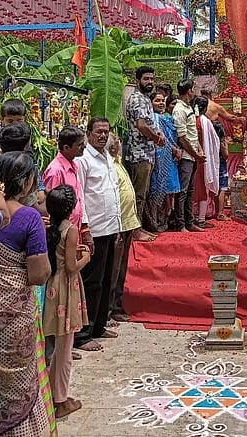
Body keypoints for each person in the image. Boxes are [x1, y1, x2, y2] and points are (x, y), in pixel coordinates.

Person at [0, 152, 52, 437]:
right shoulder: (29, 217)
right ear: (26, 183)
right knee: (20, 381)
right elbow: (38, 274)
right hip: (16, 310)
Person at [74, 117, 121, 352]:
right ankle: (83, 333)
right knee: (91, 281)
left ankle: (99, 325)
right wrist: (85, 228)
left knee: (106, 279)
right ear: (89, 133)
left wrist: (118, 225)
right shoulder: (83, 159)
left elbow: (112, 190)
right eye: (98, 132)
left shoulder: (108, 157)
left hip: (110, 226)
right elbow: (80, 196)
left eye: (106, 131)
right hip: (94, 228)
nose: (103, 136)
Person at [44, 185, 90, 420]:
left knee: (57, 347)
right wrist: (86, 258)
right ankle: (60, 400)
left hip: (52, 287)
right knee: (64, 350)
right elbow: (71, 267)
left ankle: (55, 394)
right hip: (66, 288)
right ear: (71, 208)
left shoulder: (49, 227)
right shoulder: (70, 230)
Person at [107, 133, 152, 324]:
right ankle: (108, 311)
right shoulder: (106, 165)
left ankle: (117, 306)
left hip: (127, 223)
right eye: (116, 141)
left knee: (121, 269)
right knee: (113, 269)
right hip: (115, 225)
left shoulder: (117, 162)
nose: (118, 144)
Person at [124, 66, 164, 237]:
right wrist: (157, 138)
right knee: (138, 194)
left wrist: (158, 133)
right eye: (146, 79)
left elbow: (149, 123)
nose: (150, 82)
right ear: (138, 80)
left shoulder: (145, 99)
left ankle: (139, 227)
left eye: (152, 79)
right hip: (138, 153)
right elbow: (141, 126)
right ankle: (134, 231)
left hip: (147, 153)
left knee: (143, 193)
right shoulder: (138, 99)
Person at [172, 80, 205, 233]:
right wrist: (195, 154)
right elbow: (182, 138)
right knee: (182, 191)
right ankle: (180, 224)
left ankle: (189, 222)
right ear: (189, 91)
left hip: (192, 155)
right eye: (193, 89)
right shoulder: (179, 109)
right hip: (186, 156)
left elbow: (192, 134)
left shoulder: (188, 107)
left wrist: (199, 150)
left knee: (190, 191)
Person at [147, 93, 181, 232]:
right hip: (158, 157)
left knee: (169, 190)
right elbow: (160, 138)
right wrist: (174, 149)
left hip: (169, 158)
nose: (161, 103)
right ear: (151, 103)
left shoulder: (167, 118)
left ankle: (165, 219)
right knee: (157, 189)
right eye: (157, 101)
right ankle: (155, 222)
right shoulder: (153, 118)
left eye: (162, 100)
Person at [43, 126, 86, 235]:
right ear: (66, 147)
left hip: (74, 227)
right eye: (80, 144)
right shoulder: (56, 171)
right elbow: (52, 204)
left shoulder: (73, 165)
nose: (84, 147)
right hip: (62, 232)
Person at [193, 96, 220, 228]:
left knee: (193, 188)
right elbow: (214, 141)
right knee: (203, 187)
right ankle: (201, 219)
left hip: (192, 157)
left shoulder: (193, 120)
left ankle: (191, 217)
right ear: (205, 108)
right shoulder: (205, 121)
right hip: (203, 158)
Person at [214, 121, 230, 221]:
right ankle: (220, 213)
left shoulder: (211, 140)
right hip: (221, 166)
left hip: (213, 165)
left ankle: (216, 211)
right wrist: (224, 146)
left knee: (216, 188)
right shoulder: (221, 141)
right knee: (222, 188)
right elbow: (226, 155)